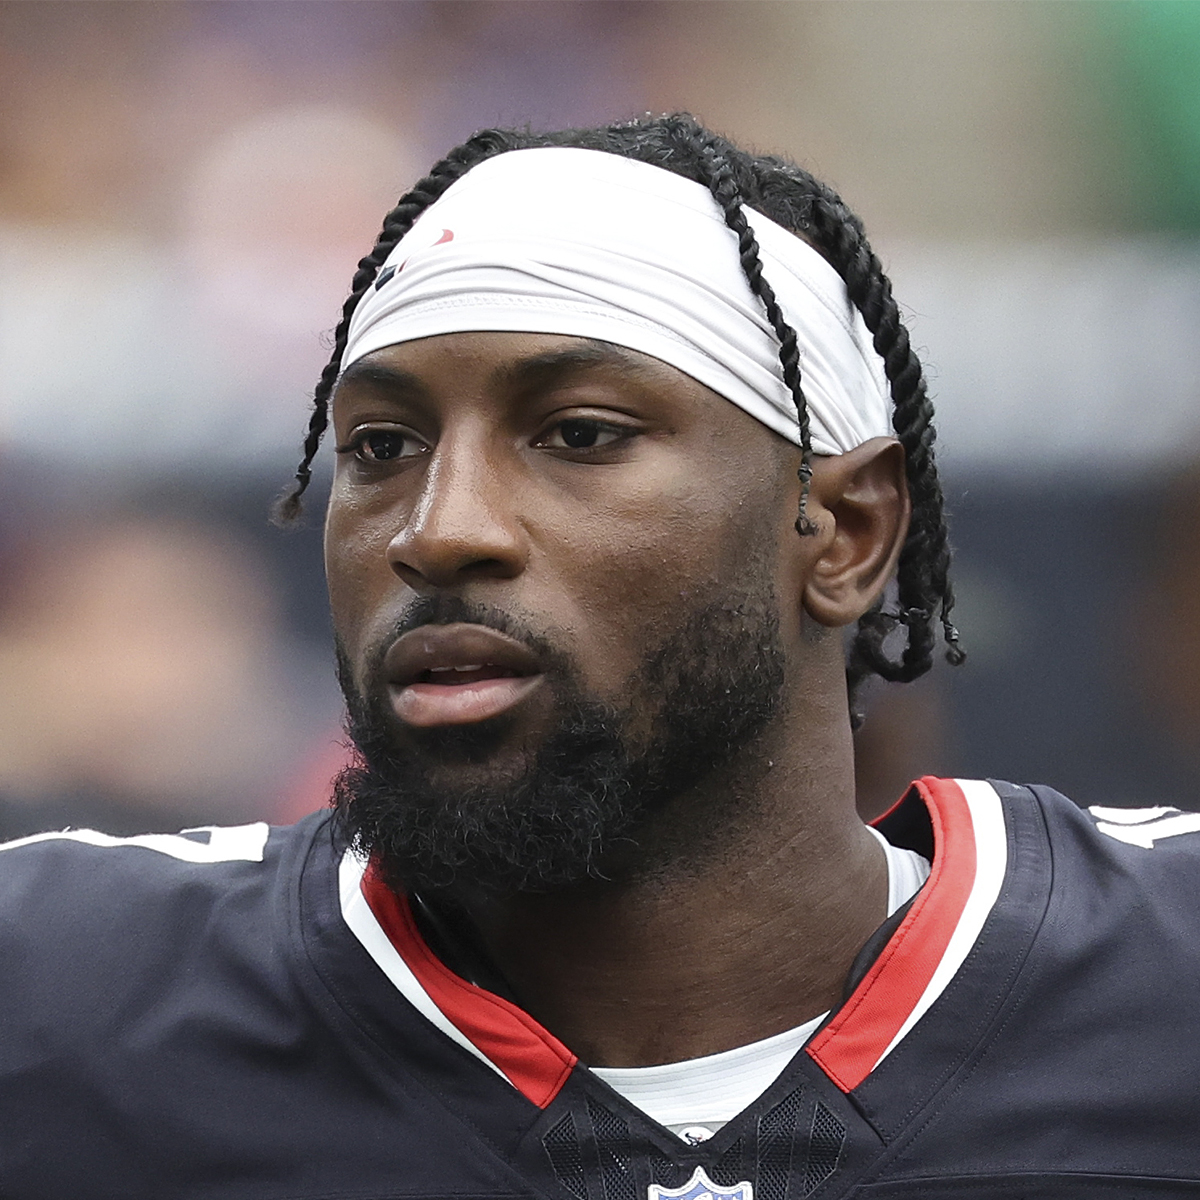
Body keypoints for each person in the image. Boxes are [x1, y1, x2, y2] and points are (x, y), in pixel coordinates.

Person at [2, 113, 1198, 1199]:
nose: (438, 529)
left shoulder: (1165, 976)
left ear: (844, 531)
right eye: (380, 447)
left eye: (579, 433)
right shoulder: (63, 995)